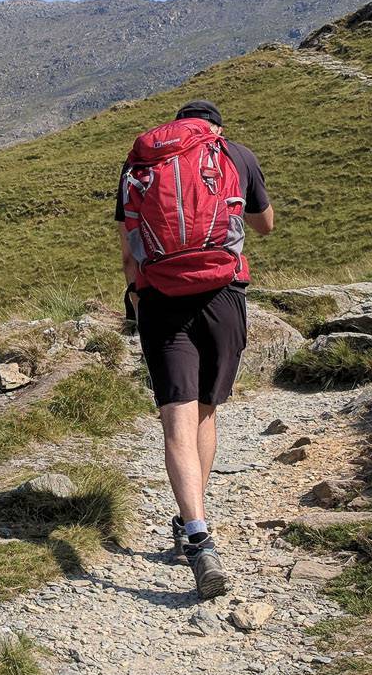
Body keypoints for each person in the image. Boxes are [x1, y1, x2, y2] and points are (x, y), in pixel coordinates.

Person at [115, 100, 274, 598]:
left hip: (161, 298)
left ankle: (197, 534)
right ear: (214, 128)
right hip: (222, 296)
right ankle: (194, 525)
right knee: (206, 412)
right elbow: (265, 225)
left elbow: (127, 245)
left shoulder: (140, 163)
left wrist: (137, 295)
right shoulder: (235, 154)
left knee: (175, 419)